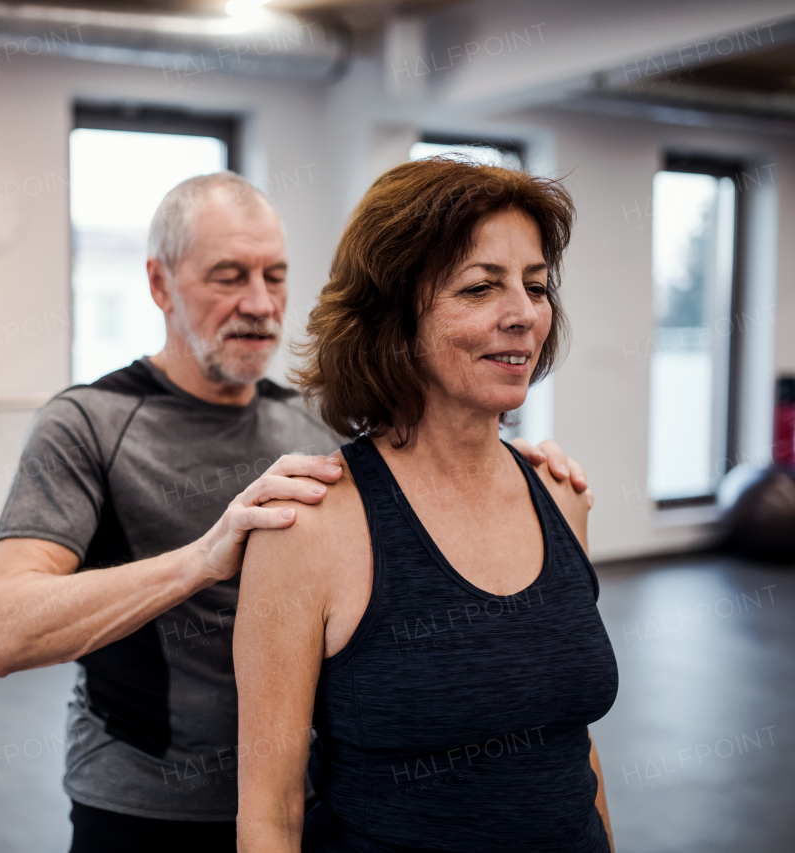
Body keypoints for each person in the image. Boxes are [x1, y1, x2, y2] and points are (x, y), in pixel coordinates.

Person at [0, 171, 591, 852]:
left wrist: (512, 474)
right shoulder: (86, 423)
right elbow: (2, 633)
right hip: (146, 804)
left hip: (307, 795)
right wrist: (201, 560)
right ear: (158, 284)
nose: (260, 303)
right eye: (229, 276)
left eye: (275, 276)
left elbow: (428, 450)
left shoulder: (311, 419)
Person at [235, 158, 619, 852]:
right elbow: (270, 815)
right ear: (393, 320)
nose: (523, 314)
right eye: (480, 287)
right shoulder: (309, 528)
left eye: (535, 286)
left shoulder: (562, 496)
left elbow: (571, 742)